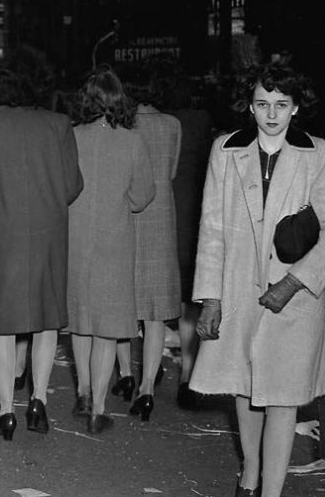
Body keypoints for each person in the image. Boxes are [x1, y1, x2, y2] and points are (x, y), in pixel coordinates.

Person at [191, 64, 325, 497]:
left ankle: (272, 490)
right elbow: (211, 228)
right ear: (250, 107)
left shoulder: (320, 154)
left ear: (296, 108)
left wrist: (295, 282)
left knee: (284, 395)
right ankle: (250, 474)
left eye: (281, 105)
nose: (272, 114)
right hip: (237, 288)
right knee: (244, 386)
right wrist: (209, 297)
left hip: (297, 294)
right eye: (263, 104)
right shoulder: (225, 150)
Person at [0, 56, 82, 439]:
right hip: (48, 229)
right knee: (46, 317)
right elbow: (72, 185)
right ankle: (38, 400)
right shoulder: (58, 124)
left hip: (1, 228)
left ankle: (6, 411)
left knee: (2, 323)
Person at [66, 66, 155, 434]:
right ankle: (99, 409)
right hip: (115, 242)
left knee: (80, 322)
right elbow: (143, 195)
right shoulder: (132, 141)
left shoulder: (70, 137)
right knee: (106, 330)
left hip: (74, 238)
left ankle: (83, 391)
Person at [111, 84, 182, 421]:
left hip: (127, 215)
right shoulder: (172, 125)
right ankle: (148, 388)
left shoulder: (122, 124)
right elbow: (171, 172)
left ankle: (125, 373)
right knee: (154, 312)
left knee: (124, 303)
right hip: (161, 220)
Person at [160, 80, 213, 409]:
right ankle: (190, 374)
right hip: (198, 214)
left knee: (175, 299)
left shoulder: (165, 123)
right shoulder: (202, 120)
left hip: (170, 215)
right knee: (193, 300)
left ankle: (166, 371)